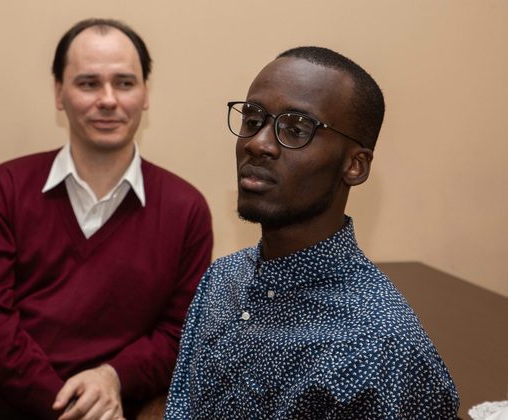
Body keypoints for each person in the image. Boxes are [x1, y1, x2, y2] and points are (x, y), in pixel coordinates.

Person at [0, 18, 213, 420]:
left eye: (124, 83)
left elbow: (179, 333)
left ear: (145, 94)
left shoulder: (186, 210)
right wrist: (64, 406)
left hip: (104, 407)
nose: (108, 99)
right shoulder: (4, 188)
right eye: (88, 83)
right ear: (59, 93)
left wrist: (112, 377)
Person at [164, 47, 459, 419]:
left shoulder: (379, 346)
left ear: (355, 165)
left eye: (296, 129)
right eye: (253, 119)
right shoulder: (223, 279)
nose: (258, 143)